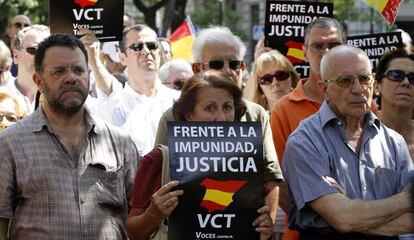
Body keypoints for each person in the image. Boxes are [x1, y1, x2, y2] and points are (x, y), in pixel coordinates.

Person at [0, 33, 138, 239]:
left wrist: (155, 212)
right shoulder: (10, 144)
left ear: (89, 76)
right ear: (39, 81)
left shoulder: (120, 143)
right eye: (59, 71)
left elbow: (136, 217)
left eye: (78, 70)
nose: (71, 77)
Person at [154, 26, 288, 232]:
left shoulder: (257, 115)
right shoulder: (172, 117)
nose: (227, 70)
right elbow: (160, 178)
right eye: (217, 64)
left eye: (234, 63)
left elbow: (270, 177)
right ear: (197, 69)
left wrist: (267, 221)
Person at [283, 45, 414, 239]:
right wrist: (405, 199)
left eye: (364, 79)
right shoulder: (305, 141)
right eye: (345, 81)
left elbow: (410, 220)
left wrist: (346, 218)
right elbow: (343, 218)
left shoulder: (394, 142)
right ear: (324, 89)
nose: (359, 89)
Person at [125, 71, 274, 240]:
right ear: (189, 114)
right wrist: (152, 215)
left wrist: (264, 229)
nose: (222, 118)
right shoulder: (158, 160)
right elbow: (132, 232)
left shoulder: (249, 162)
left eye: (227, 107)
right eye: (210, 108)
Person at [269, 17, 346, 239]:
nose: (326, 51)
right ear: (304, 52)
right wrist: (317, 223)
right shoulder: (283, 110)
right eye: (318, 46)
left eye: (334, 45)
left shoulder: (361, 102)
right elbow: (278, 181)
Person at [96, 24, 179, 155]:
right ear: (123, 58)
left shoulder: (179, 101)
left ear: (159, 52)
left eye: (152, 46)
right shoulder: (114, 104)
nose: (146, 51)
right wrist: (92, 56)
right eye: (137, 47)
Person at [375, 49, 414, 160]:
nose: (406, 82)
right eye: (396, 75)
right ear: (377, 86)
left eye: (413, 78)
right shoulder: (360, 134)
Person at [5, 24, 50, 113]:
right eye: (33, 50)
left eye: (46, 51)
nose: (40, 56)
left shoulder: (60, 97)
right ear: (16, 55)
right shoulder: (3, 94)